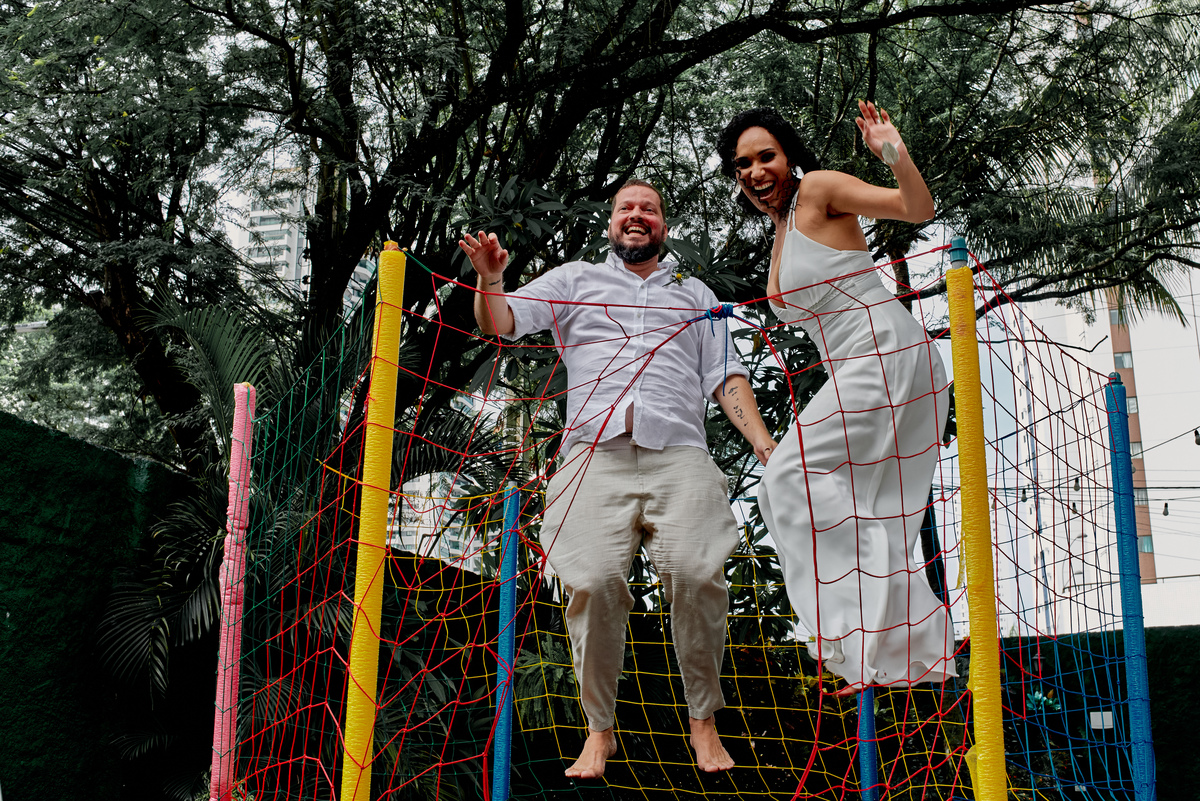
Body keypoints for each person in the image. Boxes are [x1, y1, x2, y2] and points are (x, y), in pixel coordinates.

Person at [459, 179, 777, 778]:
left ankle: (703, 721)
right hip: (591, 454)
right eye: (626, 208)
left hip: (680, 453)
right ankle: (598, 731)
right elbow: (501, 322)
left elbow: (725, 376)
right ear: (611, 223)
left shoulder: (696, 294)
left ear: (663, 226)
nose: (636, 215)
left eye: (648, 209)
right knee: (594, 582)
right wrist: (490, 279)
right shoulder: (575, 280)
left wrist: (762, 442)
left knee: (697, 573)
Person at [715, 104, 956, 694]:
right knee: (856, 506)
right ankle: (889, 652)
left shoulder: (820, 190)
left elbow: (917, 208)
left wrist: (892, 151)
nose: (755, 171)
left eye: (766, 156)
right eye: (742, 164)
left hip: (883, 349)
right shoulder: (779, 232)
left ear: (789, 157)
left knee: (789, 477)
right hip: (860, 366)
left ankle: (856, 634)